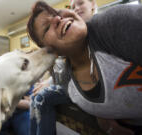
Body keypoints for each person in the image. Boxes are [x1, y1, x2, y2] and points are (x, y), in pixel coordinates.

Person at [27, 1, 142, 135]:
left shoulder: (114, 25)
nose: (58, 19)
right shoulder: (65, 80)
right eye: (46, 28)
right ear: (49, 51)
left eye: (57, 13)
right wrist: (100, 111)